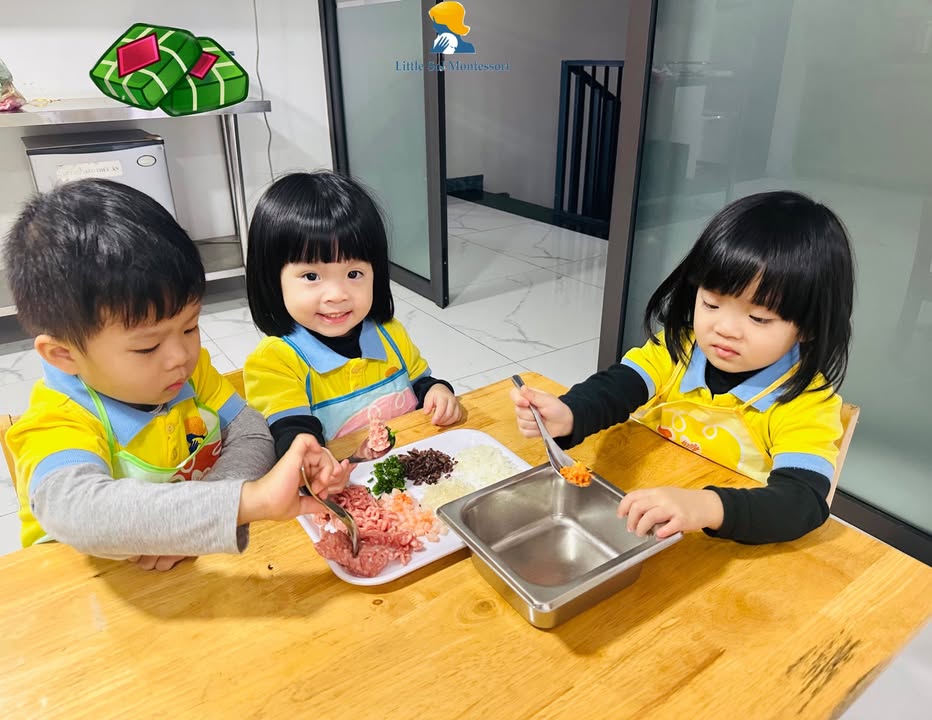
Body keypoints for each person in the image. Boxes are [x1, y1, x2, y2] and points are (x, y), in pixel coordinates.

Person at [3, 179, 350, 570]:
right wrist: (244, 502)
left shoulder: (192, 373)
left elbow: (251, 431)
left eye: (190, 327)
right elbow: (80, 512)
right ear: (63, 354)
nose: (181, 357)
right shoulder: (57, 421)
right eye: (147, 347)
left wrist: (198, 522)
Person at [512, 191, 855, 544]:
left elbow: (803, 502)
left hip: (725, 542)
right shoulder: (679, 348)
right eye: (711, 304)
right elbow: (619, 386)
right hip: (638, 513)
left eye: (758, 318)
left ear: (809, 327)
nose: (725, 328)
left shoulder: (805, 403)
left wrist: (707, 506)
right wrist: (570, 413)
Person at [244, 171, 463, 459]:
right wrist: (306, 454)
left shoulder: (390, 333)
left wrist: (437, 391)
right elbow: (291, 432)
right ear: (273, 280)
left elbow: (419, 383)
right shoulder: (275, 361)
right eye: (311, 276)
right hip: (341, 483)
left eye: (354, 273)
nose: (337, 295)